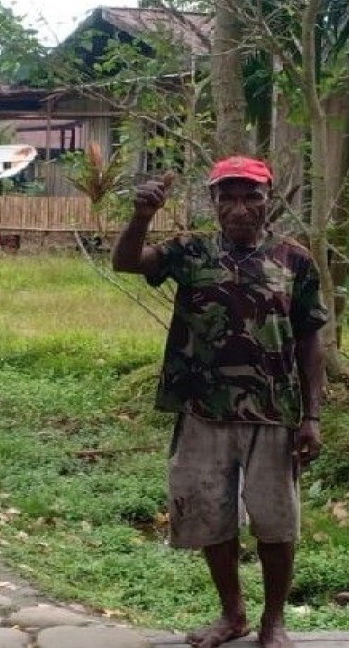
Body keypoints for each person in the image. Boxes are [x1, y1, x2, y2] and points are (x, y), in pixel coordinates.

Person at [111, 156, 328, 648]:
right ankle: (233, 614)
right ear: (212, 201)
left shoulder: (294, 259)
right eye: (226, 196)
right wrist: (142, 215)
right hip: (202, 409)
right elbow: (126, 262)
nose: (239, 207)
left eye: (250, 195)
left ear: (268, 197)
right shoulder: (190, 250)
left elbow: (311, 340)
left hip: (273, 410)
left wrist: (312, 415)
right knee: (210, 513)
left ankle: (274, 622)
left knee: (276, 520)